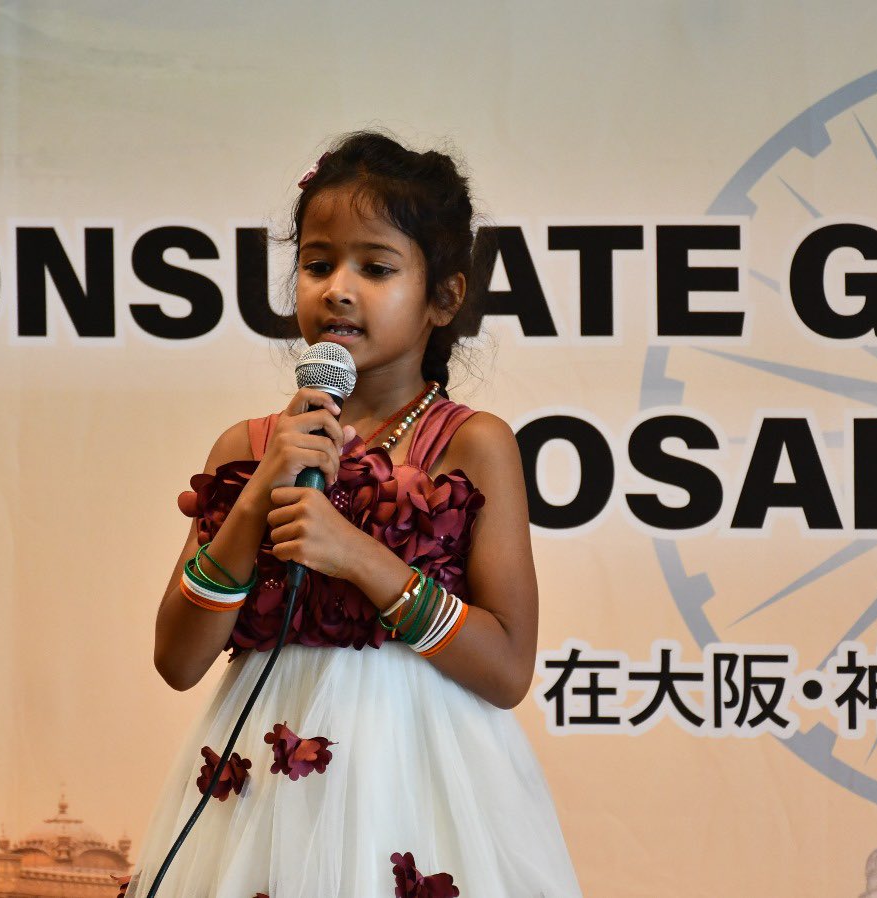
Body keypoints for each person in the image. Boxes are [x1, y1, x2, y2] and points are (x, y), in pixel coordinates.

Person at [128, 131, 584, 898]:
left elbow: (508, 669)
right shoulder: (248, 446)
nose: (338, 289)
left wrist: (361, 557)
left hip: (421, 783)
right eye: (318, 264)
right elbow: (177, 661)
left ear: (444, 297)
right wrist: (255, 498)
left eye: (375, 268)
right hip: (265, 796)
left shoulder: (474, 445)